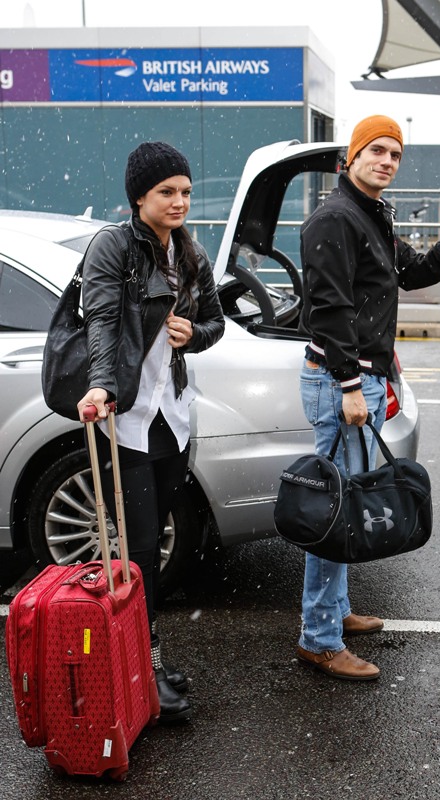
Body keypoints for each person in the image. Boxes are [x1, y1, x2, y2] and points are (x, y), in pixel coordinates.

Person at [297, 115, 440, 681]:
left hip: (365, 378)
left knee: (347, 500)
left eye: (395, 154)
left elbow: (408, 272)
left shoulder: (370, 213)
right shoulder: (335, 217)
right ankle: (319, 638)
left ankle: (335, 610)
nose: (386, 161)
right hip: (344, 382)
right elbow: (330, 309)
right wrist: (350, 385)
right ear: (351, 157)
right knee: (334, 508)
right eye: (376, 151)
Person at [76, 141, 225, 721]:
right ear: (139, 197)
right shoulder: (113, 246)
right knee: (138, 550)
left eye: (185, 191)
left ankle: (142, 660)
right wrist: (101, 384)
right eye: (167, 191)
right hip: (127, 417)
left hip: (173, 417)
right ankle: (141, 667)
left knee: (152, 543)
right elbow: (102, 321)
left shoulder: (190, 252)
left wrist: (195, 334)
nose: (179, 201)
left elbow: (215, 321)